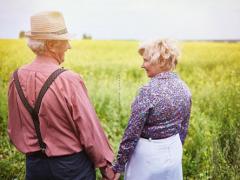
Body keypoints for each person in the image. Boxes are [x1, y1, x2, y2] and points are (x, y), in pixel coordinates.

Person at [7, 11, 115, 180]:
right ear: (51, 44)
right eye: (65, 41)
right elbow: (89, 131)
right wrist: (105, 165)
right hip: (72, 168)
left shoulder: (15, 78)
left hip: (34, 167)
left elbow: (14, 129)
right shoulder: (69, 80)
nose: (69, 46)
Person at [112, 39, 192, 180]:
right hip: (173, 153)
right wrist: (173, 150)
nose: (142, 65)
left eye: (146, 60)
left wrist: (119, 164)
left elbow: (132, 132)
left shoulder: (148, 91)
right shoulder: (184, 88)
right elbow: (183, 128)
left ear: (161, 61)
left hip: (147, 160)